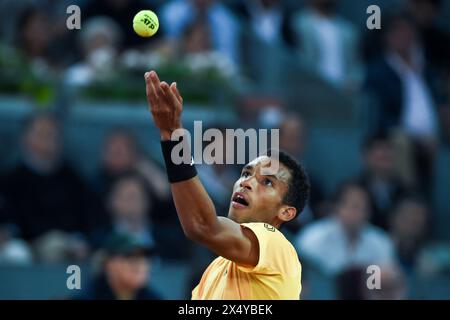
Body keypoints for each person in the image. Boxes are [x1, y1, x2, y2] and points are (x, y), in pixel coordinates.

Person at [144, 70, 310, 300]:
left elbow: (201, 225)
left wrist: (173, 137)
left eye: (267, 182)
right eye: (246, 173)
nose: (247, 183)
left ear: (286, 211)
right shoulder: (214, 271)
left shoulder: (277, 247)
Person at [295, 181, 396, 276]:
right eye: (355, 207)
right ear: (337, 207)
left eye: (364, 208)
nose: (360, 213)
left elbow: (378, 285)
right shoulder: (312, 238)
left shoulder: (381, 242)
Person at [74, 232, 162, 300]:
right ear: (109, 264)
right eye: (131, 257)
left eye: (145, 258)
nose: (141, 265)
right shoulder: (88, 296)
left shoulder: (152, 297)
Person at [358, 132, 409, 230]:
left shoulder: (406, 189)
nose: (384, 153)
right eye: (378, 149)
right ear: (365, 157)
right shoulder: (355, 188)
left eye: (388, 149)